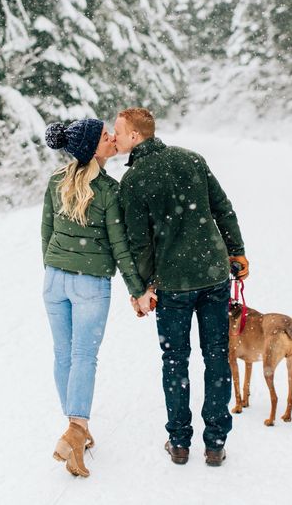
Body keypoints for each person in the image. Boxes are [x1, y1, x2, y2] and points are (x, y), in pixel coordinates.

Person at [114, 107, 249, 467]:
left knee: (175, 360)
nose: (115, 137)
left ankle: (179, 442)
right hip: (214, 275)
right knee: (216, 355)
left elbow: (139, 243)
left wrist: (140, 289)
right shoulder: (192, 159)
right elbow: (223, 208)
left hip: (173, 285)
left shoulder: (134, 179)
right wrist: (237, 252)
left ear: (135, 136)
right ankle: (216, 443)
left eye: (119, 131)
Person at [42, 118, 145, 478]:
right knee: (83, 356)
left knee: (63, 355)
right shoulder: (108, 191)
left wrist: (56, 267)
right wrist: (137, 289)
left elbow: (47, 232)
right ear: (93, 148)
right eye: (105, 136)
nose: (112, 138)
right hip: (90, 284)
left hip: (54, 281)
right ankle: (75, 431)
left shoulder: (57, 180)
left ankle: (76, 431)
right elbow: (121, 247)